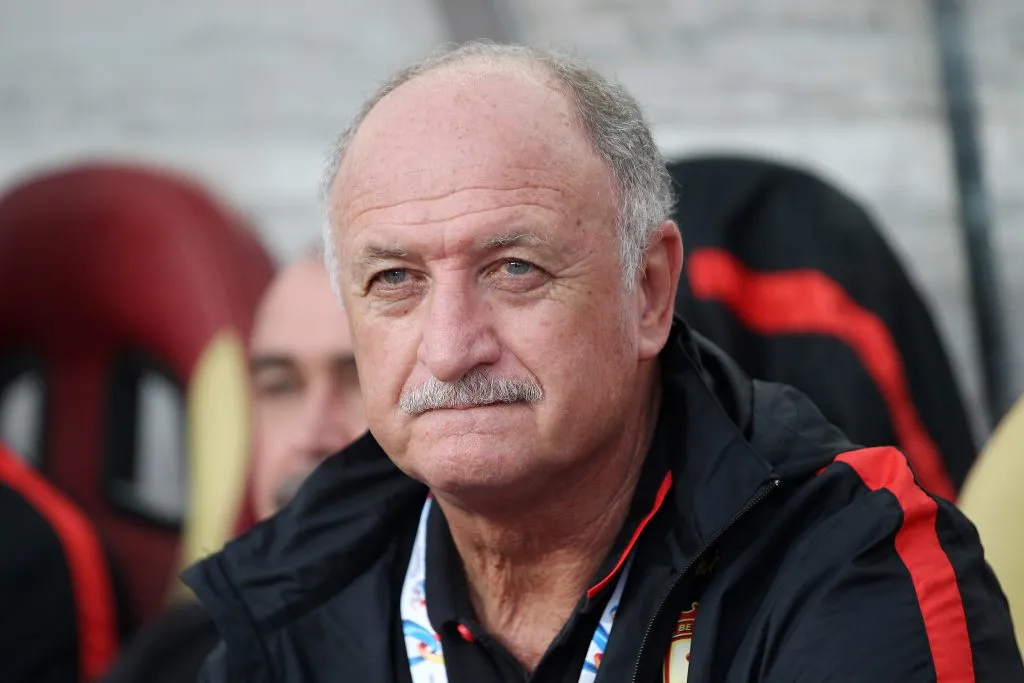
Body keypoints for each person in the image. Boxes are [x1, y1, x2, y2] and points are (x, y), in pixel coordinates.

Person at [184, 42, 1022, 682]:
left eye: (514, 269)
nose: (448, 346)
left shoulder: (851, 563)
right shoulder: (289, 597)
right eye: (394, 280)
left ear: (650, 291)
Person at [101, 253, 366, 683]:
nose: (310, 434)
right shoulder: (169, 658)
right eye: (280, 386)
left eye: (358, 382)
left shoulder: (486, 654)